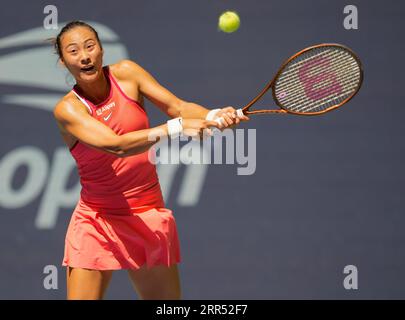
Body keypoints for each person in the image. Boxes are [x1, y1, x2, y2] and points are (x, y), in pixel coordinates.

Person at [52, 20, 249, 300]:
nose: (84, 56)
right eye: (73, 51)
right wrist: (178, 127)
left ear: (101, 50)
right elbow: (116, 145)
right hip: (96, 220)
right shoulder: (67, 109)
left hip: (146, 213)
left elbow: (177, 107)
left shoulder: (128, 74)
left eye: (89, 46)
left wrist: (212, 116)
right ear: (64, 62)